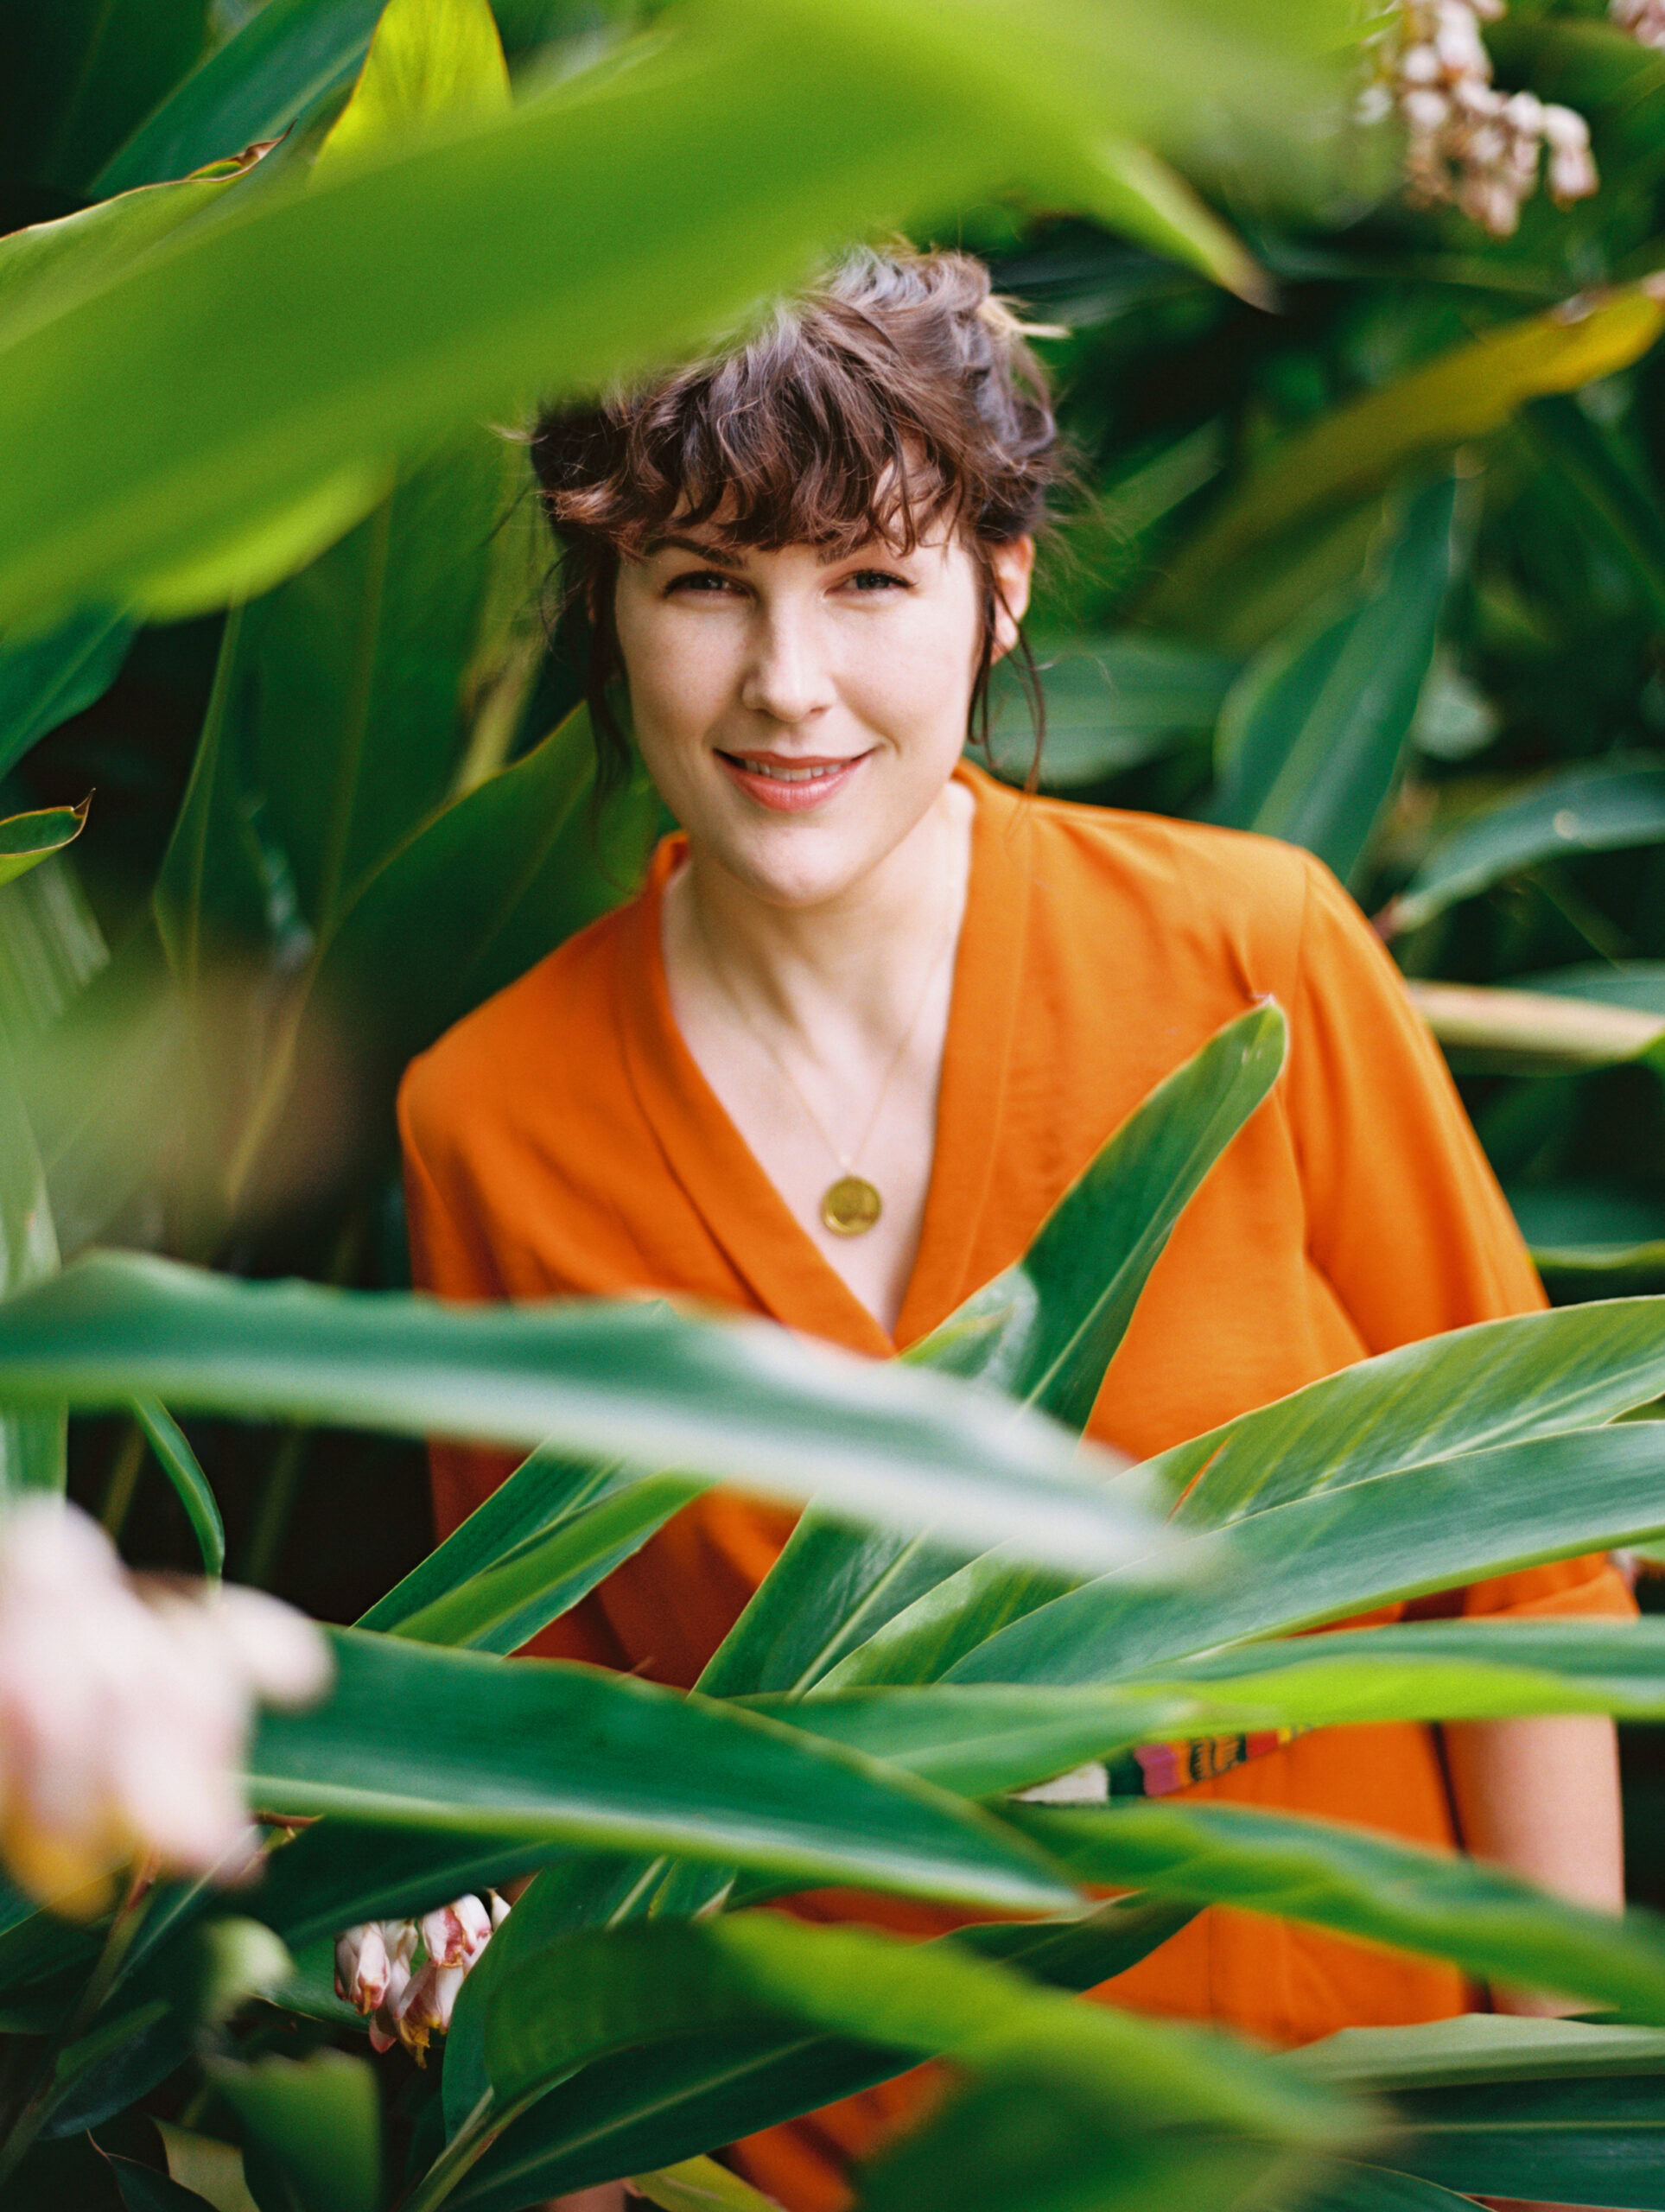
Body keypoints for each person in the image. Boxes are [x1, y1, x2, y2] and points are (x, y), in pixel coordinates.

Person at [397, 247, 1633, 2212]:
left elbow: (1531, 1564)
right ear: (611, 609)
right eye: (705, 582)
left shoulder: (1257, 954)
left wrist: (1562, 2140)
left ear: (1003, 581)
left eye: (867, 579)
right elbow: (557, 1755)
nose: (784, 682)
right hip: (831, 2155)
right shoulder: (489, 1116)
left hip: (1343, 2132)